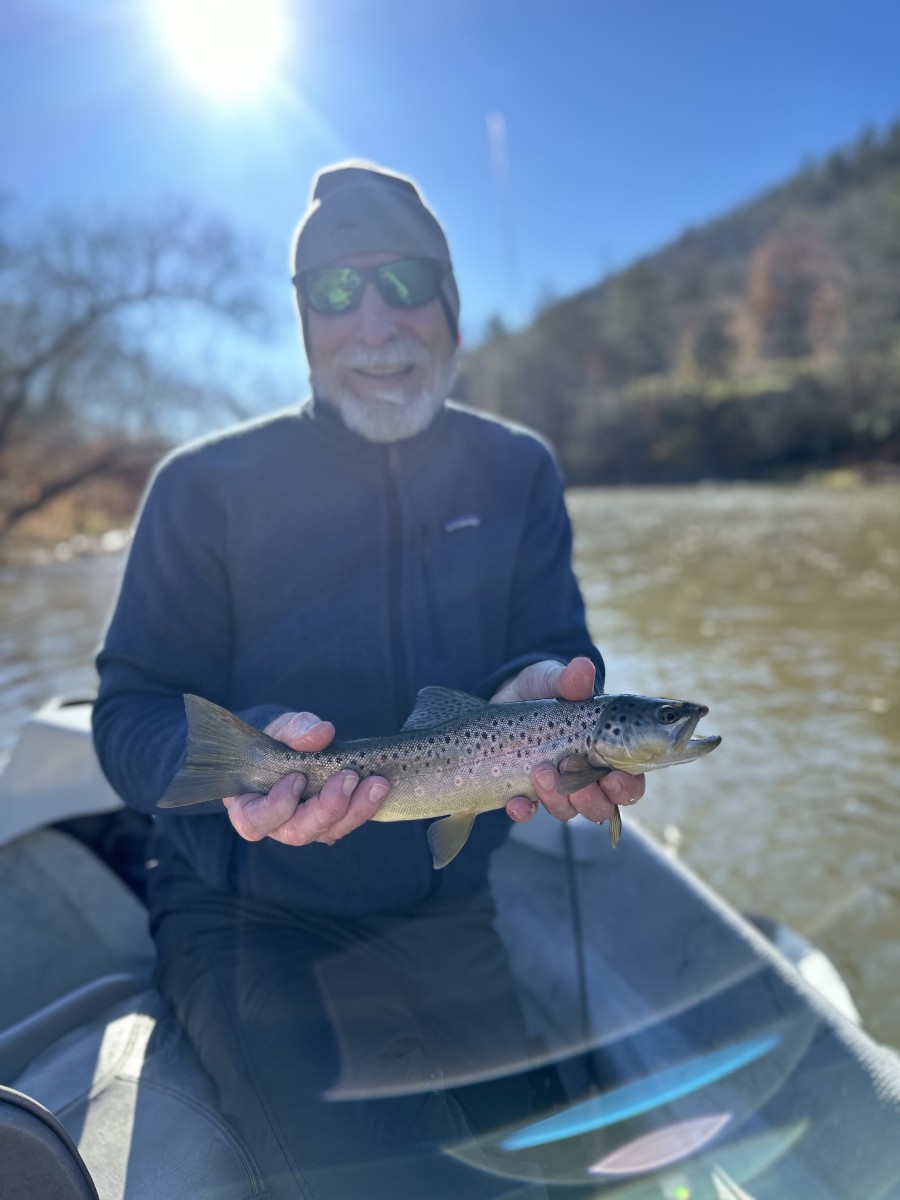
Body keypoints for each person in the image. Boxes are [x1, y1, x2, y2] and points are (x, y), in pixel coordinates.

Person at [92, 161, 645, 1200]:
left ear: (455, 310)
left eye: (406, 281)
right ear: (301, 322)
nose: (376, 321)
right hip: (250, 920)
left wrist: (540, 688)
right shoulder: (200, 488)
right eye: (337, 290)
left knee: (551, 1177)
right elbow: (128, 714)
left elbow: (546, 640)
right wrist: (241, 762)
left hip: (450, 904)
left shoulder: (518, 469)